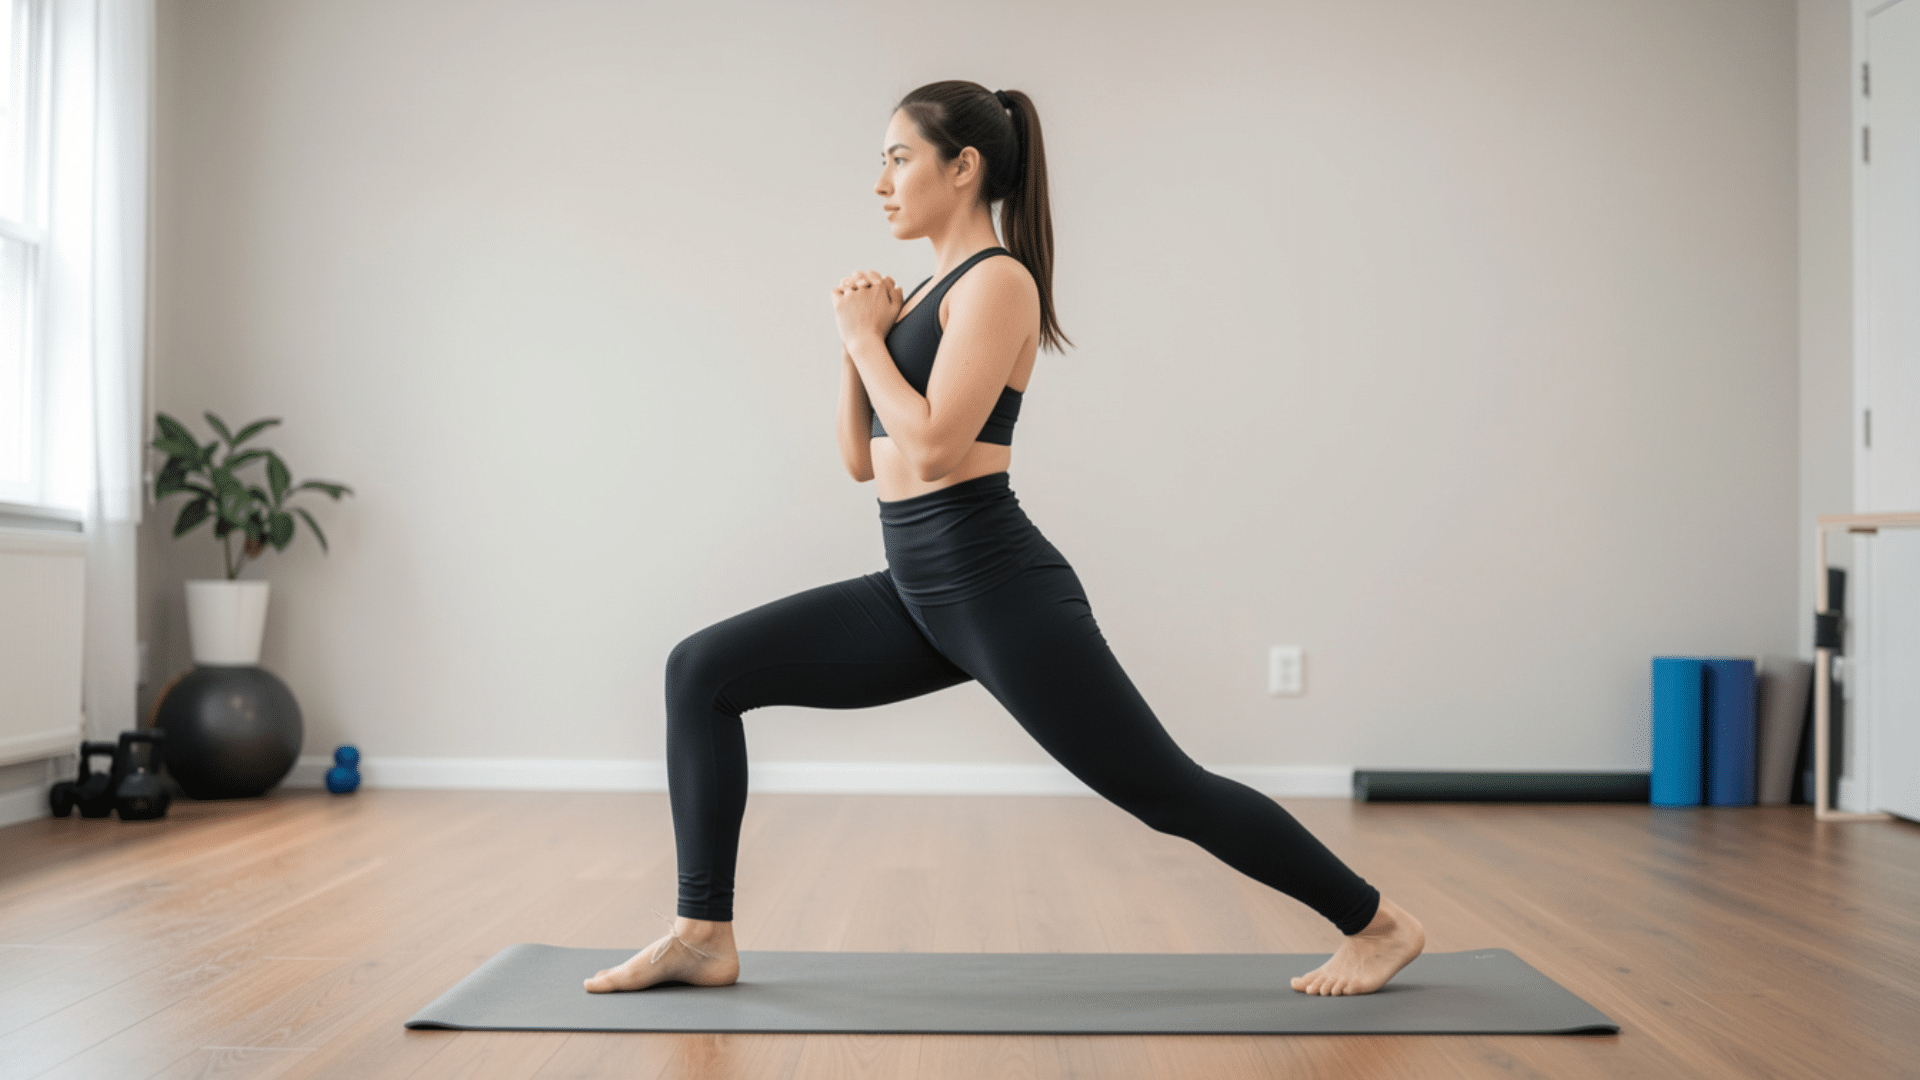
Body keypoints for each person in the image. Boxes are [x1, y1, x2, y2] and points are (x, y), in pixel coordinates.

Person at [585, 79, 1425, 998]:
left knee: (1163, 790)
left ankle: (1377, 925)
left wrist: (868, 340)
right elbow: (863, 463)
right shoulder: (923, 295)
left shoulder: (1000, 283)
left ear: (964, 166)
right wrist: (854, 342)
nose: (882, 181)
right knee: (700, 670)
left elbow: (940, 448)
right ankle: (702, 932)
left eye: (899, 157)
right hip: (915, 587)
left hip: (996, 588)